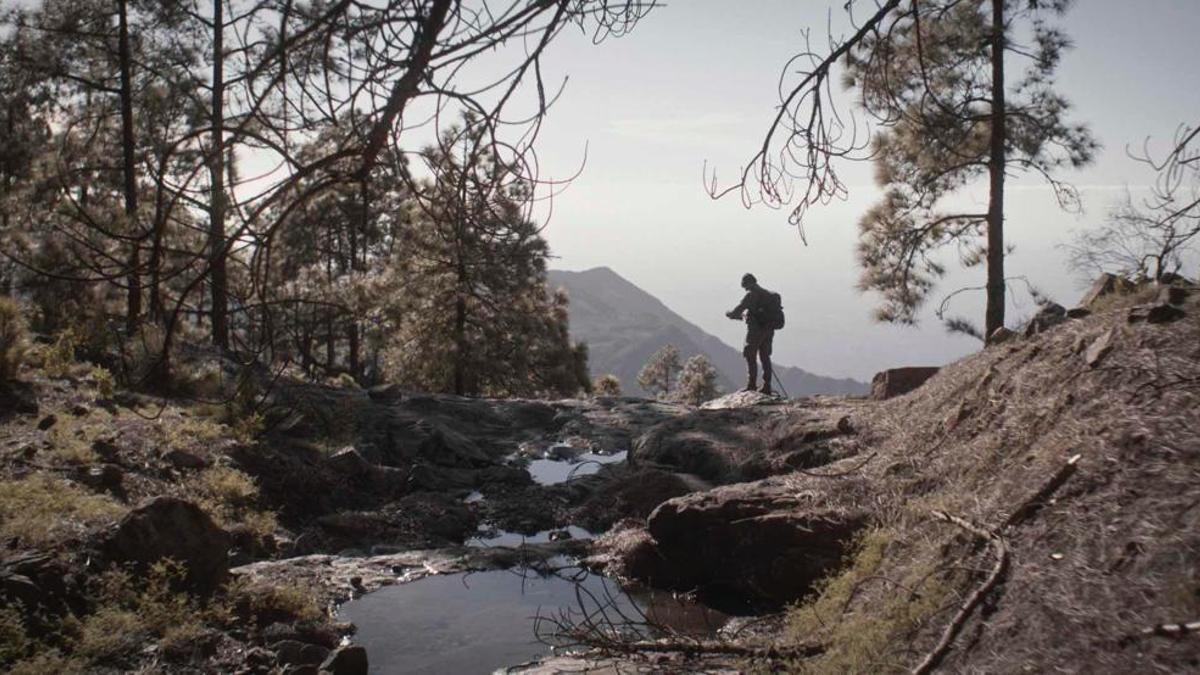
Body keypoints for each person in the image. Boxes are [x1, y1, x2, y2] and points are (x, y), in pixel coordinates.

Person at [725, 273, 775, 395]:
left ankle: (751, 385)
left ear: (746, 284)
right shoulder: (767, 294)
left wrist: (730, 314)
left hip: (756, 330)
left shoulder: (751, 295)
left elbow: (738, 310)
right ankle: (766, 386)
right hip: (769, 329)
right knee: (765, 356)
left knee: (749, 354)